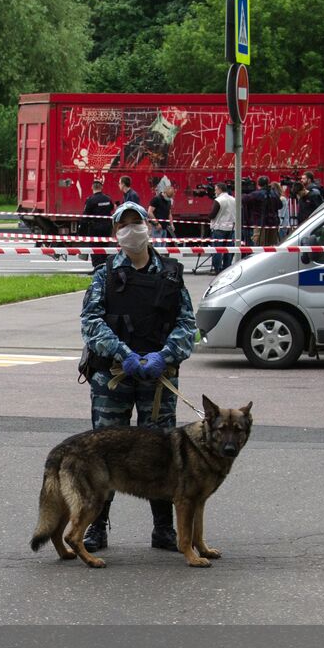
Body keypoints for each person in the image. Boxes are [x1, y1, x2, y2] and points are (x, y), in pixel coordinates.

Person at [78, 201, 197, 553]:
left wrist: (165, 355)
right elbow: (91, 322)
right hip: (114, 376)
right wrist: (123, 353)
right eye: (124, 224)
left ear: (149, 226)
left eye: (137, 222)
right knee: (104, 451)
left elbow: (187, 325)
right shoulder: (105, 274)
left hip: (157, 381)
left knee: (161, 452)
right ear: (116, 234)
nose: (132, 229)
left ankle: (164, 530)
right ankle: (96, 527)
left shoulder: (171, 273)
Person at [79, 178, 115, 269]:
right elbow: (111, 209)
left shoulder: (90, 200)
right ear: (101, 187)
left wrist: (82, 231)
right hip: (107, 227)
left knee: (95, 247)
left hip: (95, 227)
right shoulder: (108, 198)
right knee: (105, 247)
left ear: (92, 187)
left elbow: (86, 215)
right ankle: (104, 267)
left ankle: (97, 267)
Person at [208, 182, 235, 275]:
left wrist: (209, 216)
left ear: (219, 189)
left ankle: (217, 268)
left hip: (219, 227)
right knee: (229, 249)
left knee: (217, 249)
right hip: (231, 228)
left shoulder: (218, 200)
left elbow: (212, 214)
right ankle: (227, 267)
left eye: (215, 189)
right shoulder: (233, 199)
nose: (215, 191)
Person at [247, 175, 281, 247]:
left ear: (258, 184)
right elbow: (280, 205)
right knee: (272, 245)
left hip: (260, 223)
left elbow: (245, 202)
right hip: (273, 223)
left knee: (259, 245)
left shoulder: (256, 194)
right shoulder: (274, 193)